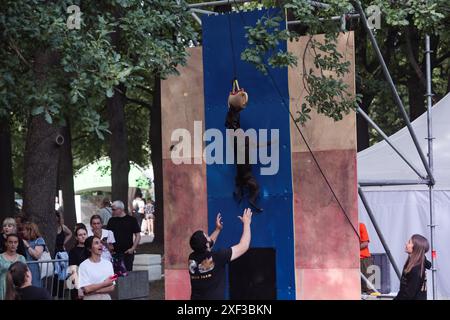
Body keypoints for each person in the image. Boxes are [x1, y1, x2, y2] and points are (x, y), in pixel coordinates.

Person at [188, 208, 252, 300]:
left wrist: (217, 229)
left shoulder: (192, 259)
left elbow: (208, 245)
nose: (208, 236)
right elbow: (244, 246)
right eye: (206, 236)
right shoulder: (218, 257)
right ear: (206, 244)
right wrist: (247, 223)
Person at [394, 234, 431, 300]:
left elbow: (409, 294)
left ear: (415, 247)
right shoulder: (413, 263)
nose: (406, 244)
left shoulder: (416, 268)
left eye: (409, 242)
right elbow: (404, 291)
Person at [78, 236, 115, 300]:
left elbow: (112, 287)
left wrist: (94, 291)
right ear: (89, 249)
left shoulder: (109, 264)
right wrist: (105, 283)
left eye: (100, 242)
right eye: (96, 243)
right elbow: (87, 289)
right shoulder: (83, 265)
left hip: (106, 297)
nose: (100, 245)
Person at [107, 200, 141, 272]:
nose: (112, 211)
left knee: (128, 273)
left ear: (121, 209)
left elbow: (137, 235)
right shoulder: (111, 220)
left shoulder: (131, 220)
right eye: (111, 209)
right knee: (116, 274)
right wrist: (110, 247)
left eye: (114, 209)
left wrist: (133, 248)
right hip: (115, 253)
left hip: (128, 252)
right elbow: (108, 235)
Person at [0, 234, 26, 299]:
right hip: (3, 287)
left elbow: (26, 274)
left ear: (18, 244)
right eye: (10, 242)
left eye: (15, 242)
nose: (13, 244)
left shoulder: (21, 258)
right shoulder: (0, 257)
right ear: (6, 243)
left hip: (18, 288)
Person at [22, 222, 46, 287]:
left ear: (30, 230)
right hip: (25, 268)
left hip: (35, 269)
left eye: (24, 230)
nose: (22, 232)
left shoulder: (39, 240)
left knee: (35, 287)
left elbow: (37, 255)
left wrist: (27, 245)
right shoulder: (26, 241)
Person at [68, 224, 89, 300]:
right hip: (78, 283)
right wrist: (78, 288)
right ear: (76, 237)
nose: (83, 236)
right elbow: (73, 271)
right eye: (80, 235)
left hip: (91, 284)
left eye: (84, 234)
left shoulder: (91, 249)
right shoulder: (73, 251)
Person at [359, 222, 374, 294]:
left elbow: (365, 243)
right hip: (351, 260)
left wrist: (352, 249)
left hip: (363, 259)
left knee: (369, 288)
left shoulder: (360, 225)